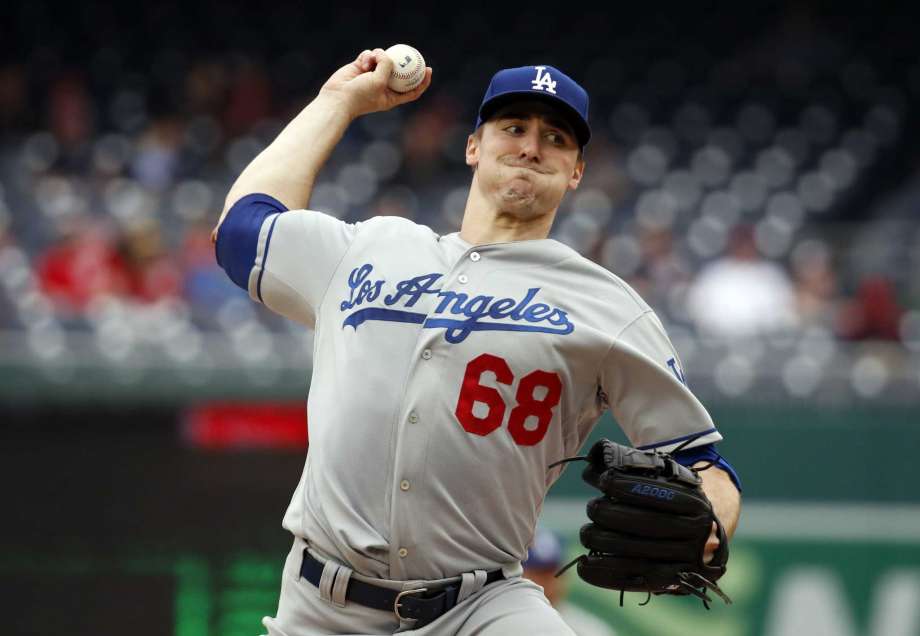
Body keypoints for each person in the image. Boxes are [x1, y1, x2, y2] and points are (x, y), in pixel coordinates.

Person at [212, 48, 742, 635]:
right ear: (473, 147)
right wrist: (338, 102)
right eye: (512, 128)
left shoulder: (608, 306)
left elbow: (701, 461)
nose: (531, 147)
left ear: (576, 172)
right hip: (321, 605)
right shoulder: (368, 249)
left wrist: (713, 524)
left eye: (556, 138)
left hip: (481, 609)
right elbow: (241, 230)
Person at [523, 527, 616, 636]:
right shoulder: (505, 623)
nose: (545, 583)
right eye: (536, 573)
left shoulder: (589, 630)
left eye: (552, 573)